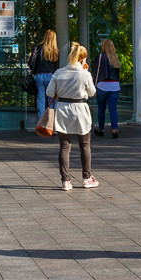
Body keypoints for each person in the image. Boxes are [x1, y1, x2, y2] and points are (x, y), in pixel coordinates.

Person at [46, 42, 98, 191]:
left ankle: (65, 181)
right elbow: (92, 92)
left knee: (64, 146)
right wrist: (86, 74)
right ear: (83, 59)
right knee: (85, 145)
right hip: (80, 110)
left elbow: (49, 93)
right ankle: (87, 178)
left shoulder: (59, 73)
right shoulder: (85, 74)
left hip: (63, 109)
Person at [92, 38, 122, 138]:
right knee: (113, 109)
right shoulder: (115, 58)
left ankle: (101, 129)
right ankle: (114, 130)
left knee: (101, 109)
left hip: (102, 86)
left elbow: (95, 72)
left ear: (103, 46)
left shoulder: (100, 57)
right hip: (114, 86)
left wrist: (93, 84)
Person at [27, 30, 60, 117]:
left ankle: (41, 123)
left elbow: (31, 62)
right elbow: (57, 66)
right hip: (51, 76)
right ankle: (50, 122)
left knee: (40, 99)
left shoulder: (38, 48)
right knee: (52, 99)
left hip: (39, 75)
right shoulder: (55, 50)